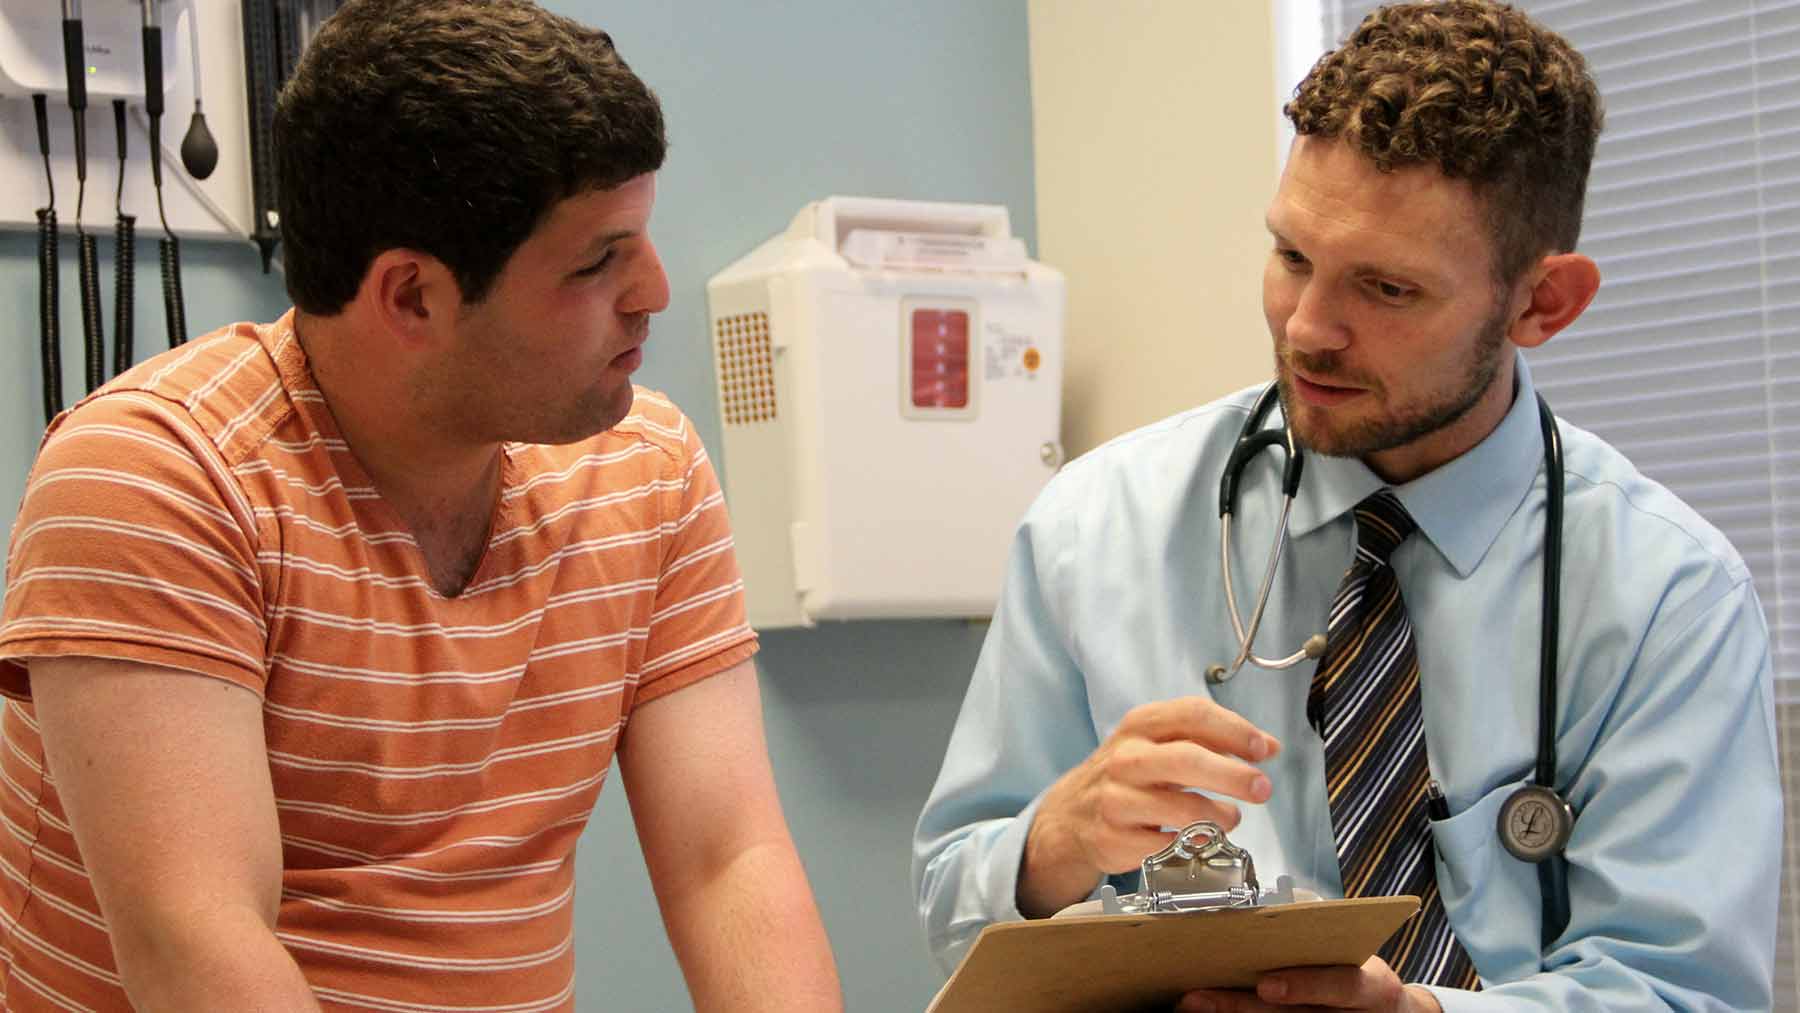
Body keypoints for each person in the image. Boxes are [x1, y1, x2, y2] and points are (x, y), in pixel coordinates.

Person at [913, 2, 1779, 1010]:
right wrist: (1054, 841)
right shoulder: (1096, 528)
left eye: (1387, 288)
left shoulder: (1669, 594)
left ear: (1543, 303)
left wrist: (1416, 1012)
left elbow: (1686, 993)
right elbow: (951, 909)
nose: (1309, 329)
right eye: (1291, 257)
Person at [0, 1, 841, 1010]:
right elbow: (196, 942)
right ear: (410, 297)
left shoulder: (646, 467)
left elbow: (728, 861)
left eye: (642, 239)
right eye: (596, 261)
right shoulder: (161, 478)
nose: (654, 290)